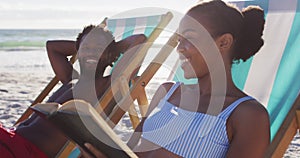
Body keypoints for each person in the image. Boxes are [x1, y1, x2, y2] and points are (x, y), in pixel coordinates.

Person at [80, 0, 270, 158]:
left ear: (224, 42)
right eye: (178, 40)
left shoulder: (247, 115)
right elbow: (133, 152)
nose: (179, 48)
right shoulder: (166, 92)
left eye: (189, 38)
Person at [0, 25, 146, 157]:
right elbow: (52, 47)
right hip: (10, 138)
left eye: (99, 49)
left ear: (110, 55)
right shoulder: (71, 79)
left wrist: (111, 49)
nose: (91, 53)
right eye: (86, 48)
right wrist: (83, 46)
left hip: (24, 151)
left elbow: (140, 40)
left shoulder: (108, 85)